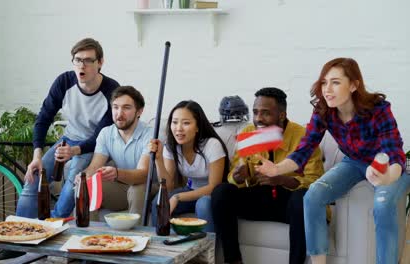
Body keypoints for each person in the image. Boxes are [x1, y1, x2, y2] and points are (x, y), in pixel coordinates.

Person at [256, 58, 410, 264]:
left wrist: (387, 176)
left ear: (354, 85)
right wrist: (276, 169)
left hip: (388, 166)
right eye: (324, 82)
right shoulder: (323, 110)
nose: (327, 89)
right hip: (353, 162)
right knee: (312, 196)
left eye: (336, 82)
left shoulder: (378, 109)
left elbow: (393, 151)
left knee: (382, 206)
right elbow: (305, 149)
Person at [211, 87, 324, 264]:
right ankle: (233, 260)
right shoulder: (249, 133)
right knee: (221, 192)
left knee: (302, 199)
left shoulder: (304, 137)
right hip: (260, 197)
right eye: (255, 112)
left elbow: (315, 183)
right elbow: (233, 175)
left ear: (281, 115)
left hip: (289, 204)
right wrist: (240, 177)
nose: (258, 119)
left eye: (265, 113)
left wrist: (281, 178)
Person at [15, 38, 120, 219]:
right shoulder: (64, 82)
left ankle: (52, 229)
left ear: (100, 62)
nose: (82, 66)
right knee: (34, 178)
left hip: (96, 146)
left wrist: (75, 151)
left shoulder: (112, 90)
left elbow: (101, 135)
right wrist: (37, 155)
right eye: (78, 60)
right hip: (69, 138)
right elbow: (43, 118)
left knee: (74, 181)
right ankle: (18, 237)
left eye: (88, 60)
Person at [148, 100, 230, 232]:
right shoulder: (171, 146)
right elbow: (167, 186)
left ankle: (208, 250)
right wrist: (158, 160)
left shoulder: (212, 145)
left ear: (198, 127)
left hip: (212, 195)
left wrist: (178, 197)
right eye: (174, 122)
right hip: (191, 190)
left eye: (186, 123)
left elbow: (213, 187)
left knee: (203, 204)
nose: (178, 128)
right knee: (158, 202)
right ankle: (162, 245)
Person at [76, 85, 153, 215]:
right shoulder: (106, 133)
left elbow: (143, 174)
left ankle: (138, 235)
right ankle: (88, 232)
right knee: (86, 185)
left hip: (149, 188)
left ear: (139, 111)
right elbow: (95, 166)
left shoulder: (150, 134)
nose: (119, 113)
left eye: (126, 108)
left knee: (137, 189)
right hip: (122, 188)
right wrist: (84, 176)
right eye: (115, 107)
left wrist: (117, 173)